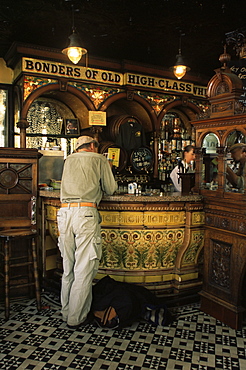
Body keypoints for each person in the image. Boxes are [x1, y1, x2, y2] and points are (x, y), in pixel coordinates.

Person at [57, 135, 118, 329]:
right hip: (85, 214)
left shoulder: (68, 160)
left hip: (64, 214)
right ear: (92, 146)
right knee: (83, 268)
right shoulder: (98, 158)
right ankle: (76, 318)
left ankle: (66, 311)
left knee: (68, 268)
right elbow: (111, 189)